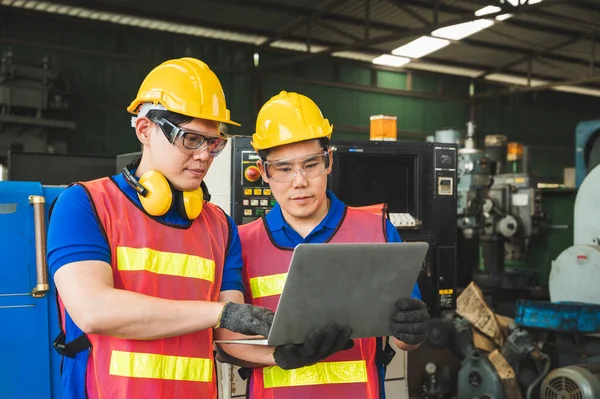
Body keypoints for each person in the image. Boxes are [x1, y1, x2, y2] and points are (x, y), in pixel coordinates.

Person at [47, 57, 277, 399]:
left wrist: (285, 354)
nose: (204, 156)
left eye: (213, 143)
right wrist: (219, 312)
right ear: (144, 130)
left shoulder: (219, 226)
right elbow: (94, 310)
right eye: (190, 140)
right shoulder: (85, 204)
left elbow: (230, 336)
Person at [216, 91, 431, 399]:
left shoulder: (377, 231)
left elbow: (403, 340)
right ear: (264, 172)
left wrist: (413, 332)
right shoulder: (241, 242)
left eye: (311, 164)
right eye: (284, 168)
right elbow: (227, 343)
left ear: (329, 160)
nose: (299, 181)